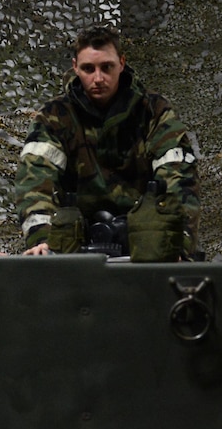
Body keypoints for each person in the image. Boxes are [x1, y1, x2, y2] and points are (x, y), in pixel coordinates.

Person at [15, 23, 197, 255]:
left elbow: (179, 180)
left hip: (147, 244)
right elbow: (35, 181)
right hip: (71, 246)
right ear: (75, 67)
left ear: (122, 63)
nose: (98, 78)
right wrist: (41, 240)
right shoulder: (55, 117)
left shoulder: (153, 112)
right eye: (88, 69)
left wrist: (177, 246)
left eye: (106, 67)